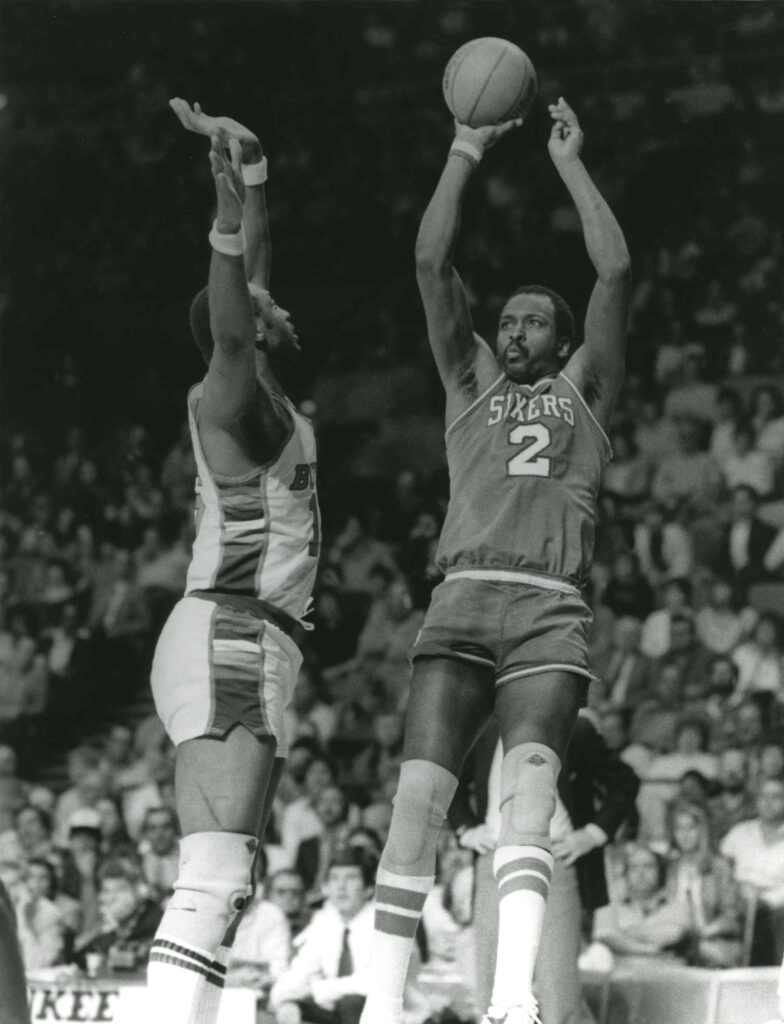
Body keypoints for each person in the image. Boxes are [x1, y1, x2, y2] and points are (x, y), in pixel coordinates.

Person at [361, 97, 631, 1024]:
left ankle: (512, 1003)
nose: (513, 330)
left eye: (531, 322)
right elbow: (431, 260)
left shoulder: (587, 388)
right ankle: (382, 1005)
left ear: (561, 342)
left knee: (529, 806)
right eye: (506, 320)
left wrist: (570, 164)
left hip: (551, 608)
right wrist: (466, 147)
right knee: (418, 801)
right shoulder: (469, 380)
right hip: (464, 599)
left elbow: (616, 267)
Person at [145, 101, 319, 1024]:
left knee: (229, 879)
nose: (275, 300)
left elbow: (250, 280)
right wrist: (218, 220)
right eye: (260, 312)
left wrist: (252, 176)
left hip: (252, 638)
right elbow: (232, 321)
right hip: (230, 632)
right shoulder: (231, 401)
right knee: (211, 878)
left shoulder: (267, 400)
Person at [449, 713, 639, 1024]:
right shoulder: (482, 730)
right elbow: (447, 781)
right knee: (491, 986)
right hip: (494, 858)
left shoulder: (575, 728)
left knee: (558, 990)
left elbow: (625, 781)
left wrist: (593, 834)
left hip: (556, 859)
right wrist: (465, 828)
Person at [270, 848, 377, 1024]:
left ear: (368, 889)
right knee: (290, 1006)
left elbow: (374, 983)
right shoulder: (325, 921)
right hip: (338, 1010)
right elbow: (300, 971)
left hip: (390, 1015)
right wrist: (283, 998)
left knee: (352, 1002)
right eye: (335, 878)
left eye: (351, 878)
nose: (341, 886)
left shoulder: (385, 924)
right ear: (326, 888)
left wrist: (317, 989)